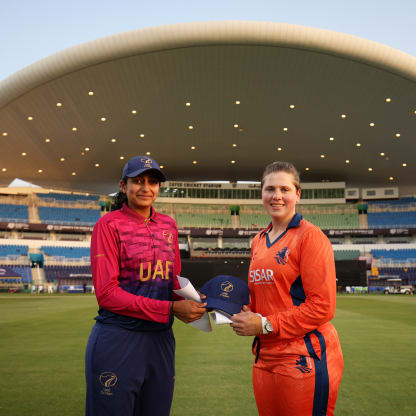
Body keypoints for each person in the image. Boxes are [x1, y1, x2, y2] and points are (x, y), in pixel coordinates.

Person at [85, 156, 206, 416]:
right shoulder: (108, 225)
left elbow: (171, 279)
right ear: (123, 185)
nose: (145, 188)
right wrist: (171, 308)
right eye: (137, 181)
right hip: (119, 338)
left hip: (160, 341)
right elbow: (107, 295)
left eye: (152, 182)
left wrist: (197, 299)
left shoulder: (169, 225)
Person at [231, 161, 343, 416]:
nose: (277, 196)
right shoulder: (258, 240)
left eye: (285, 189)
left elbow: (322, 308)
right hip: (264, 357)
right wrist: (226, 305)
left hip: (303, 356)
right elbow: (264, 301)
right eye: (270, 189)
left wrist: (264, 325)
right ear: (262, 194)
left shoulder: (311, 237)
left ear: (297, 194)